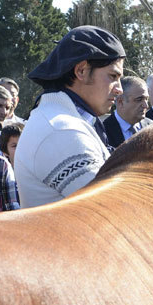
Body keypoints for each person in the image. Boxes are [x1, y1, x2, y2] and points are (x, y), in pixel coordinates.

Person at [13, 25, 124, 208]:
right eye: (113, 76)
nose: (119, 89)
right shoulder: (61, 130)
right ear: (81, 71)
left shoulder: (60, 120)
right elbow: (114, 208)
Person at [103, 76, 153, 147]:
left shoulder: (152, 127)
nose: (146, 105)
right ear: (120, 102)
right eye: (139, 99)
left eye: (146, 99)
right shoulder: (103, 132)